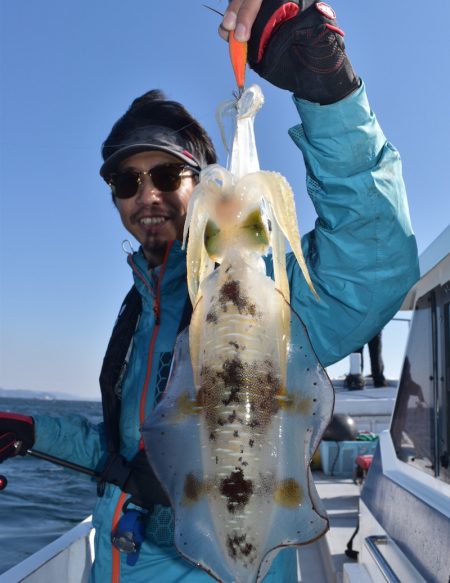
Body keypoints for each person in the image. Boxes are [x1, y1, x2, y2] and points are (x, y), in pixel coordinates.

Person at [0, 1, 419, 581]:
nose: (147, 195)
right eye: (127, 181)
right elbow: (127, 450)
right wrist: (31, 430)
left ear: (201, 185)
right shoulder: (137, 313)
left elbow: (372, 265)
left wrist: (330, 94)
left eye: (167, 176)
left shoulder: (266, 298)